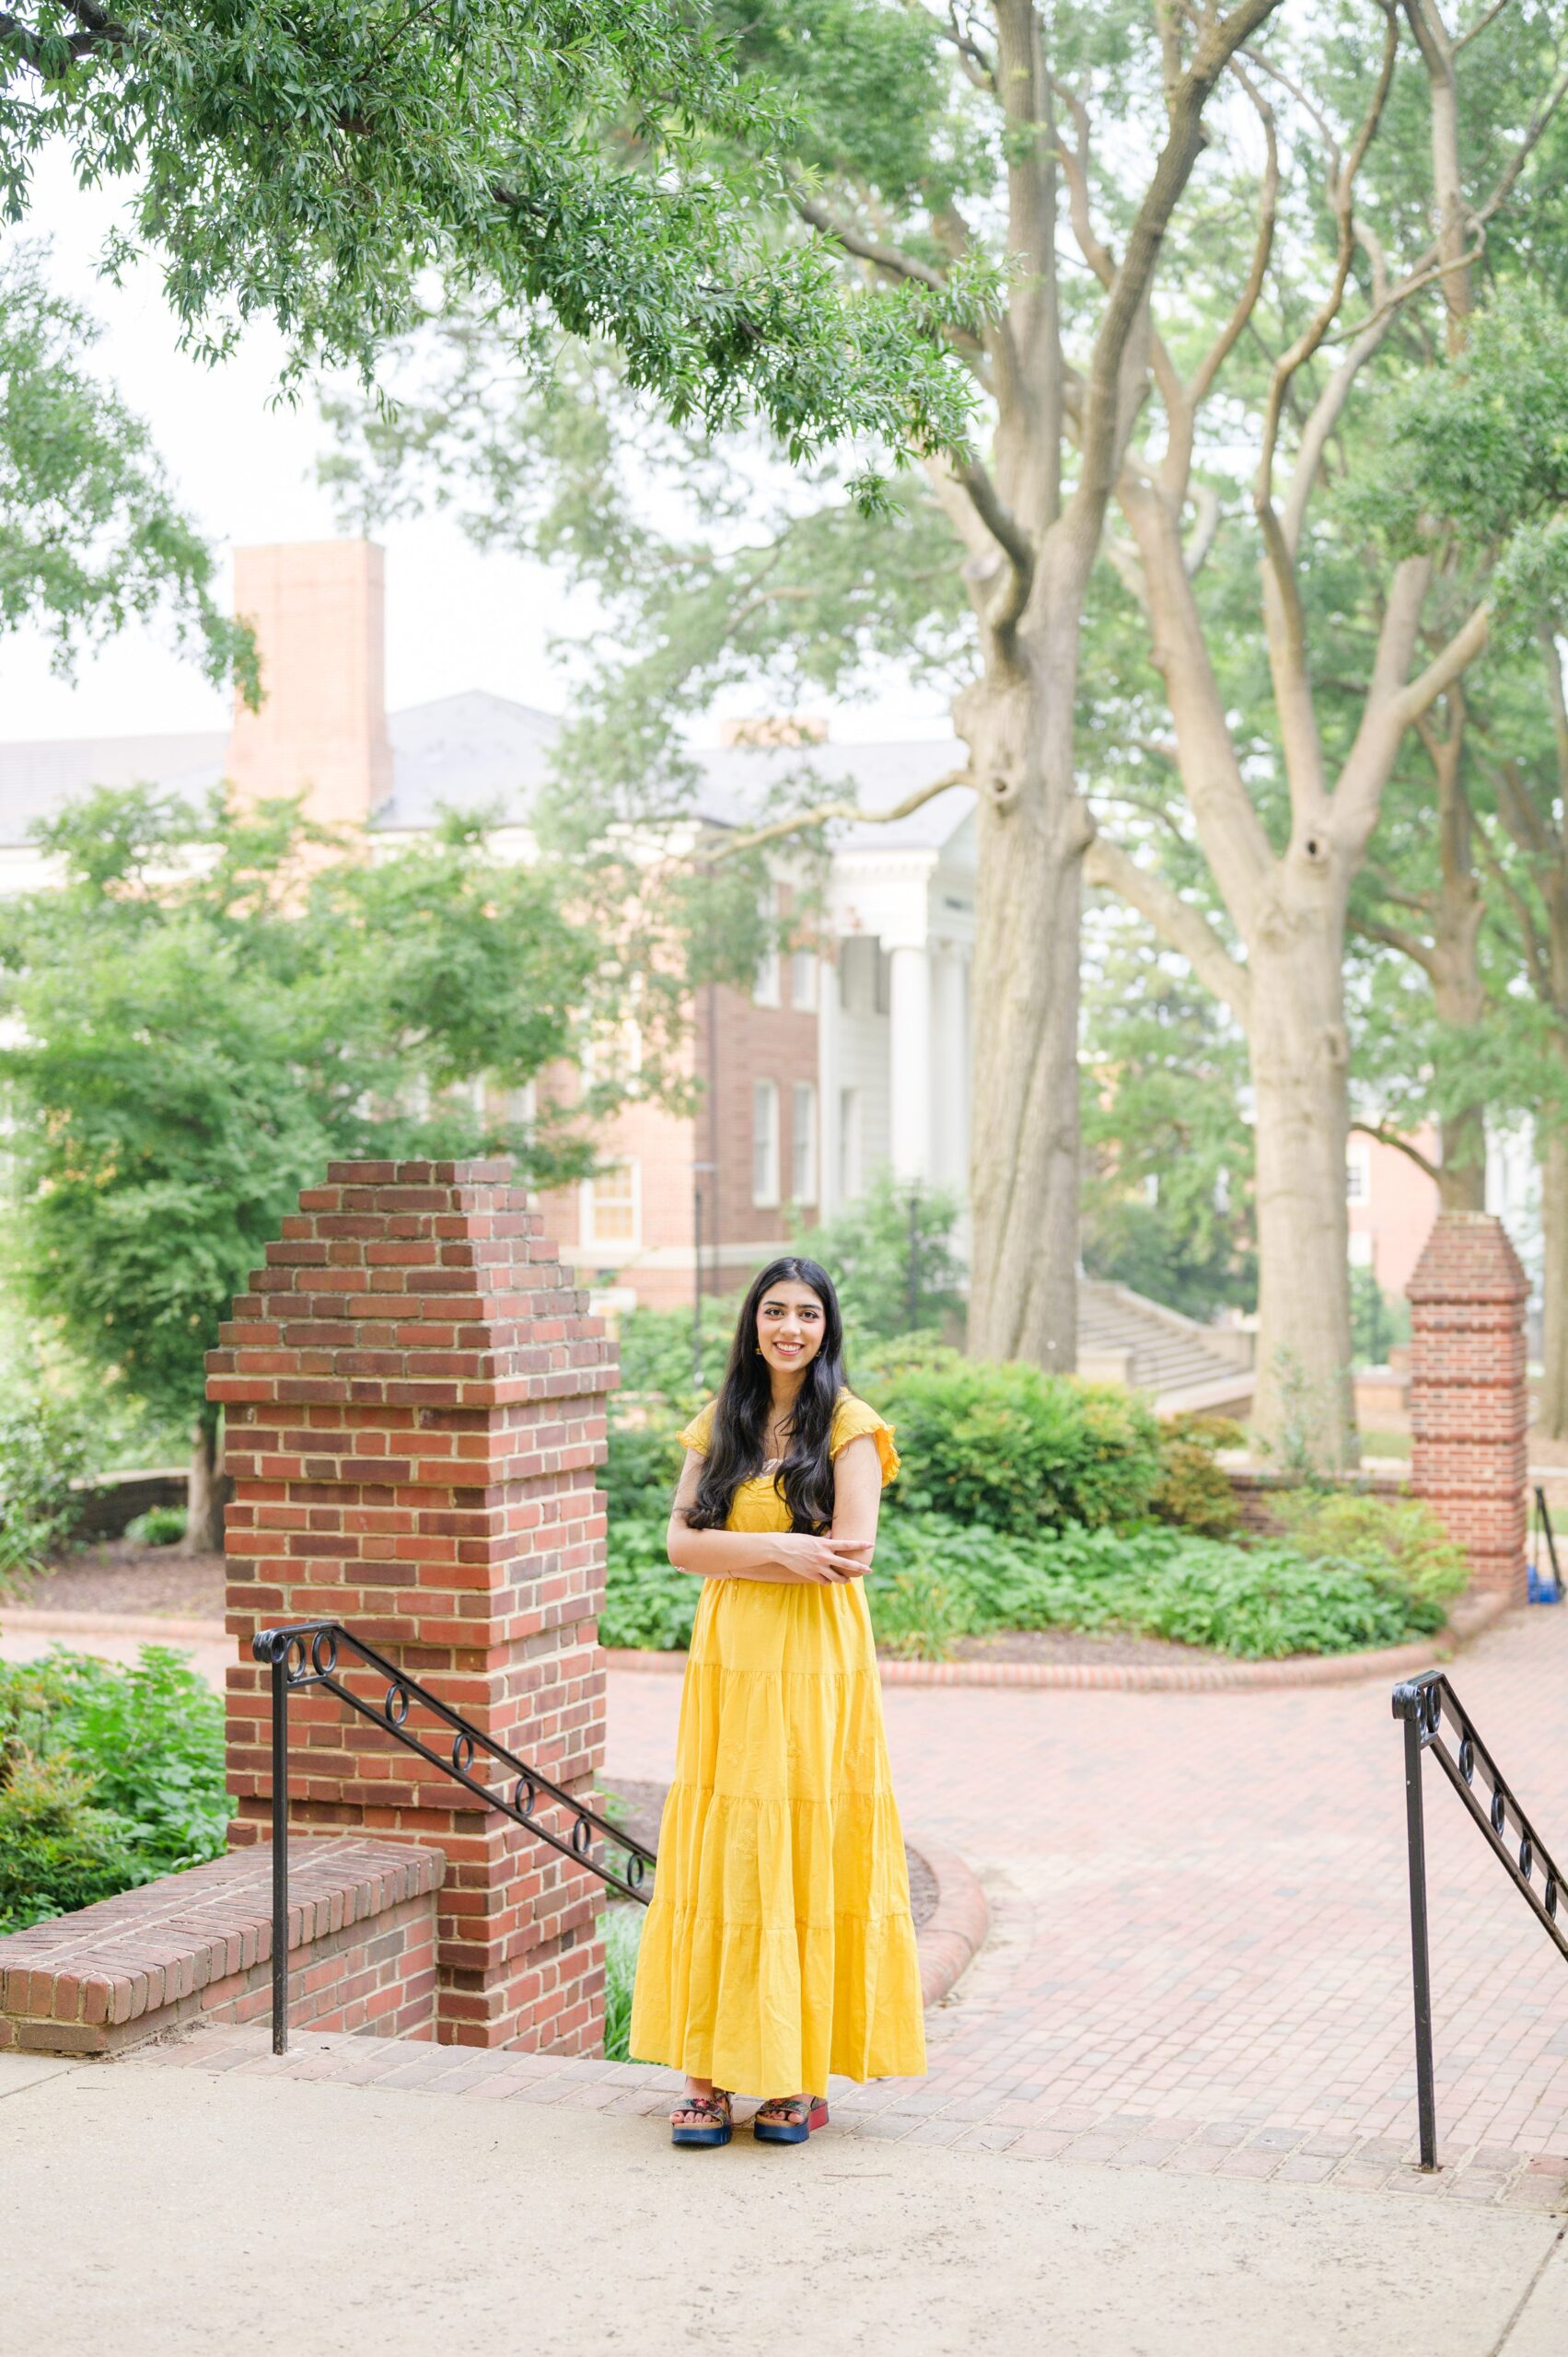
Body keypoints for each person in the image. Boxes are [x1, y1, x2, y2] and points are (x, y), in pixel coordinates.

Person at [629, 1255, 927, 2147]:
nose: (788, 1327)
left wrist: (759, 1550)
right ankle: (705, 2078)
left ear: (826, 1326)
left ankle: (796, 2078)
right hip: (729, 1659)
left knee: (799, 1837)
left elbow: (850, 1551)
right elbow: (680, 1544)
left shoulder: (848, 1425)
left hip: (813, 1662)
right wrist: (780, 1553)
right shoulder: (722, 1418)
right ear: (751, 1323)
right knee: (725, 1843)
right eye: (773, 1311)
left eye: (805, 1312)